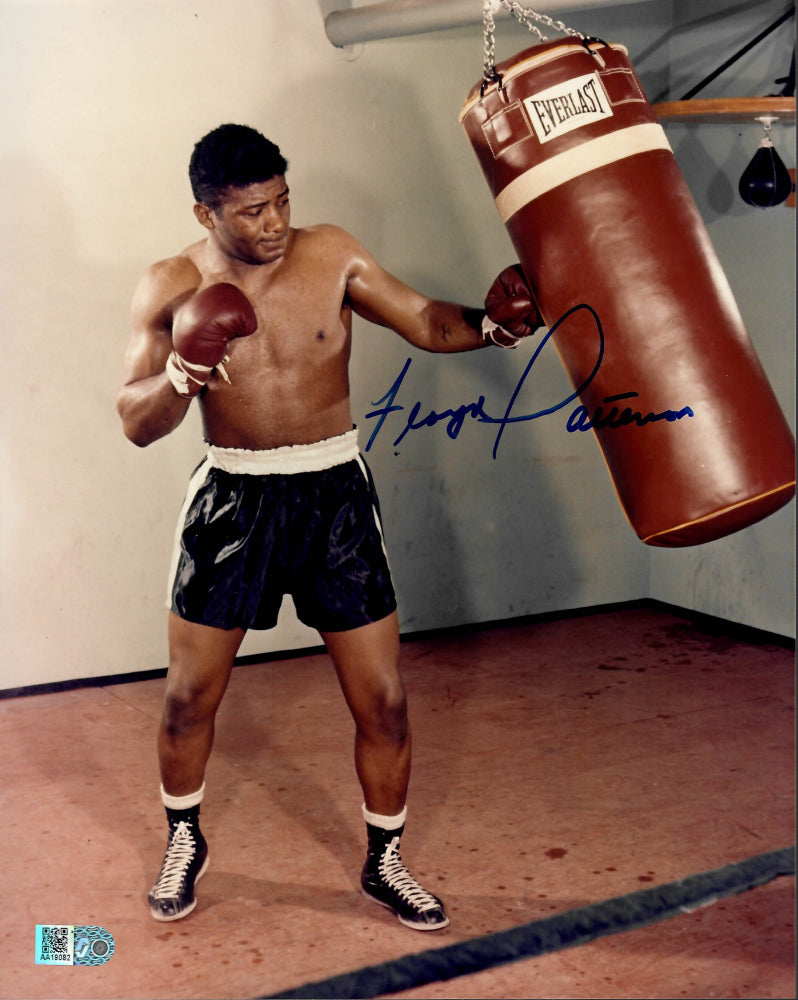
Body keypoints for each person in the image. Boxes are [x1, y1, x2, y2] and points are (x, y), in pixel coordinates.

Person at [117, 123, 541, 930]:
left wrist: (492, 325)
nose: (273, 223)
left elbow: (425, 320)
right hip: (234, 500)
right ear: (206, 213)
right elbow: (136, 421)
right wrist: (182, 368)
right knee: (187, 699)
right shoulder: (168, 285)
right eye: (250, 212)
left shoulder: (332, 254)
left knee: (383, 701)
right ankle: (184, 841)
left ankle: (385, 862)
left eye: (281, 202)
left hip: (334, 495)